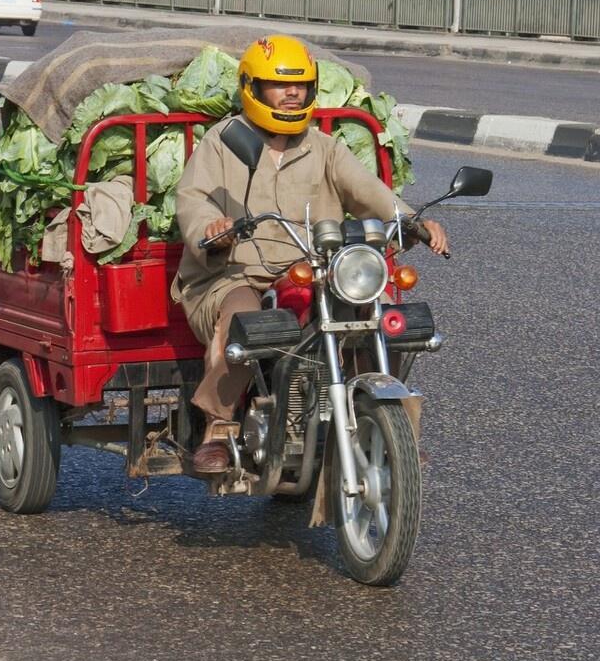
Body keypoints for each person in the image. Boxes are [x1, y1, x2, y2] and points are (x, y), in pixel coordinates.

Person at [171, 35, 448, 473]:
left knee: (379, 310)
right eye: (279, 85)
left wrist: (411, 220)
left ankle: (381, 423)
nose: (292, 93)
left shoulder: (324, 147)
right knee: (247, 321)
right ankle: (218, 427)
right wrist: (213, 227)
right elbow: (193, 197)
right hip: (232, 273)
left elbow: (366, 189)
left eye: (300, 84)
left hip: (312, 269)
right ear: (253, 88)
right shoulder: (222, 142)